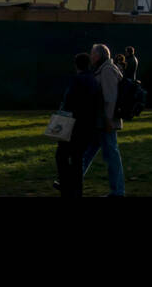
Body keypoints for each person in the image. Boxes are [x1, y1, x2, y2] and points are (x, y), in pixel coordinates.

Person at [81, 43, 126, 197]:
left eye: (92, 53)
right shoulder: (105, 69)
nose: (91, 56)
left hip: (105, 122)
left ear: (99, 55)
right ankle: (72, 182)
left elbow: (110, 98)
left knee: (110, 156)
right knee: (87, 153)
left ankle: (118, 191)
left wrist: (108, 120)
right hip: (100, 122)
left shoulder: (106, 71)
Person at [55, 51, 101, 199]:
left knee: (61, 156)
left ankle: (66, 189)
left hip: (72, 126)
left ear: (76, 65)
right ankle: (77, 192)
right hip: (87, 127)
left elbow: (68, 102)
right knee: (77, 159)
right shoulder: (94, 81)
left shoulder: (76, 80)